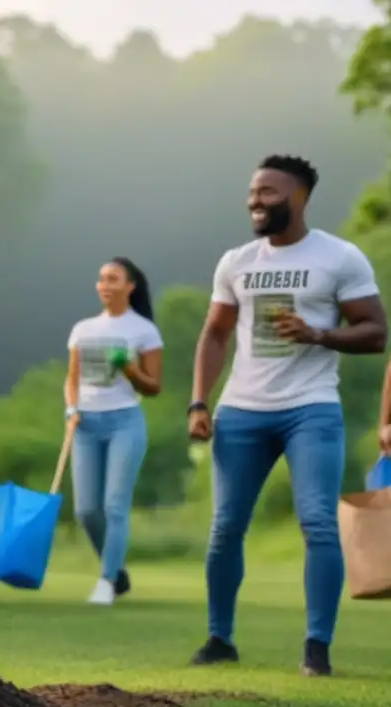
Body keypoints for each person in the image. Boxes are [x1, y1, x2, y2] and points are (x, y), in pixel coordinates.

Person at [188, 155, 386, 676]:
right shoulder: (237, 261)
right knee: (225, 528)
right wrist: (199, 401)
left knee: (318, 523)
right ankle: (219, 638)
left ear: (299, 198)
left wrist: (320, 334)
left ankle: (316, 646)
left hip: (311, 410)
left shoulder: (340, 258)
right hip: (242, 410)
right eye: (253, 192)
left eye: (269, 193)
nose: (256, 201)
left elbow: (375, 331)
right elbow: (214, 333)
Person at [64, 258, 163, 606]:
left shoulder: (143, 331)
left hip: (124, 421)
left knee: (114, 506)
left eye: (113, 279)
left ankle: (106, 580)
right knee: (86, 510)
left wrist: (130, 371)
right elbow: (72, 379)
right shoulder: (83, 329)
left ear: (129, 286)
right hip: (85, 424)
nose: (104, 285)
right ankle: (116, 567)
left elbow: (153, 386)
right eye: (101, 279)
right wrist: (71, 409)